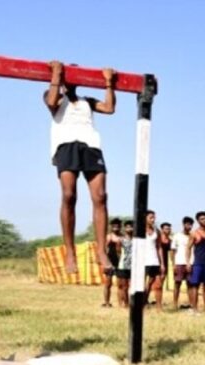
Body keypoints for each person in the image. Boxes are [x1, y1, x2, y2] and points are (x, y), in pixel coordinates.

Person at [43, 60, 117, 273]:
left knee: (100, 196)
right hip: (66, 145)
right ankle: (70, 252)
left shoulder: (87, 101)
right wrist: (56, 74)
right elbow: (51, 102)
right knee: (69, 195)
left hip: (90, 145)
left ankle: (101, 251)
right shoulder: (55, 95)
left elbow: (109, 108)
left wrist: (109, 83)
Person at [186, 211, 205, 313]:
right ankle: (195, 309)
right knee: (195, 286)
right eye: (202, 219)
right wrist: (188, 262)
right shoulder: (194, 233)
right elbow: (188, 248)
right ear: (198, 221)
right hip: (198, 263)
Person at [143, 210, 164, 311]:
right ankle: (143, 303)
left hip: (154, 260)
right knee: (142, 286)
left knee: (158, 285)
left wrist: (162, 263)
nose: (153, 219)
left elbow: (159, 247)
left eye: (154, 217)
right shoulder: (139, 230)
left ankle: (159, 307)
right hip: (142, 261)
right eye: (151, 217)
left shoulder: (157, 231)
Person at [171, 217, 194, 310]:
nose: (189, 226)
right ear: (183, 224)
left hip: (191, 263)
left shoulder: (193, 236)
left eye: (191, 224)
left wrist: (190, 263)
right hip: (179, 262)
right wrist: (173, 264)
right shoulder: (176, 236)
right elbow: (172, 251)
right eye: (187, 224)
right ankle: (175, 304)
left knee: (190, 284)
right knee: (177, 283)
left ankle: (192, 304)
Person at [102, 218, 122, 308]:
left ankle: (121, 303)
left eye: (117, 225)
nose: (116, 227)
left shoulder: (123, 237)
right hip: (110, 262)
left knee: (121, 284)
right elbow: (104, 250)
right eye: (114, 225)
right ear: (111, 226)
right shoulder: (109, 237)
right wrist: (105, 263)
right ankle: (106, 303)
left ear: (120, 226)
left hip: (121, 263)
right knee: (108, 284)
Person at [116, 220, 134, 307]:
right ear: (125, 228)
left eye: (131, 226)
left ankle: (133, 303)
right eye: (127, 227)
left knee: (133, 286)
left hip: (134, 266)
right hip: (123, 266)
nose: (129, 228)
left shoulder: (136, 240)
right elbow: (118, 252)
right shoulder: (121, 240)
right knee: (124, 286)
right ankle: (126, 304)